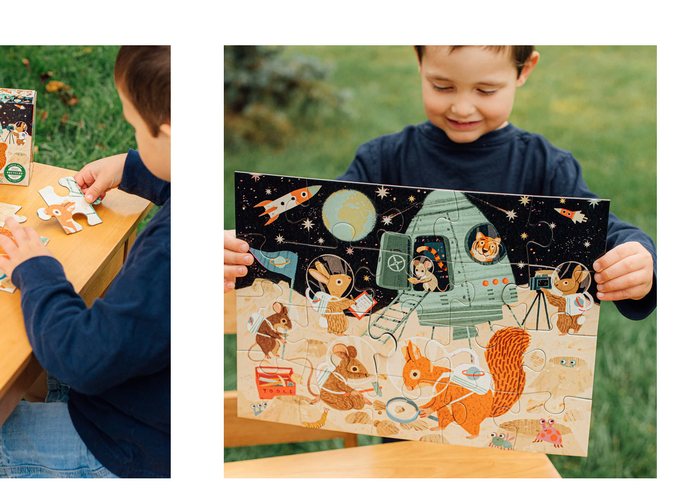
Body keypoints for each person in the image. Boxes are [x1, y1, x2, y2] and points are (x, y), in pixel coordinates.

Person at [224, 45, 656, 321]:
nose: (462, 105)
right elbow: (317, 229)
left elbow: (602, 232)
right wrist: (246, 246)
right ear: (419, 60)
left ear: (524, 70)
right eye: (442, 85)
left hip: (512, 409)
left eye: (486, 90)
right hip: (399, 393)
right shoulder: (383, 159)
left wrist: (641, 261)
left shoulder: (545, 166)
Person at [0, 46, 170, 478]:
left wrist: (35, 269)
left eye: (134, 128)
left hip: (133, 449)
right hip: (150, 408)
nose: (134, 140)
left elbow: (81, 358)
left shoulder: (169, 252)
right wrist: (132, 165)